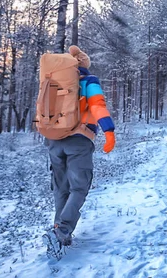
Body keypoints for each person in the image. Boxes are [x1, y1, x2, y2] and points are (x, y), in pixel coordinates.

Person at [48, 45, 116, 246]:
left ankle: (59, 233)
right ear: (85, 64)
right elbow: (97, 105)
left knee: (61, 188)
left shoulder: (56, 82)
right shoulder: (89, 81)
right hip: (79, 141)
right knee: (79, 187)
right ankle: (63, 229)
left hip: (54, 140)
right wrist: (109, 131)